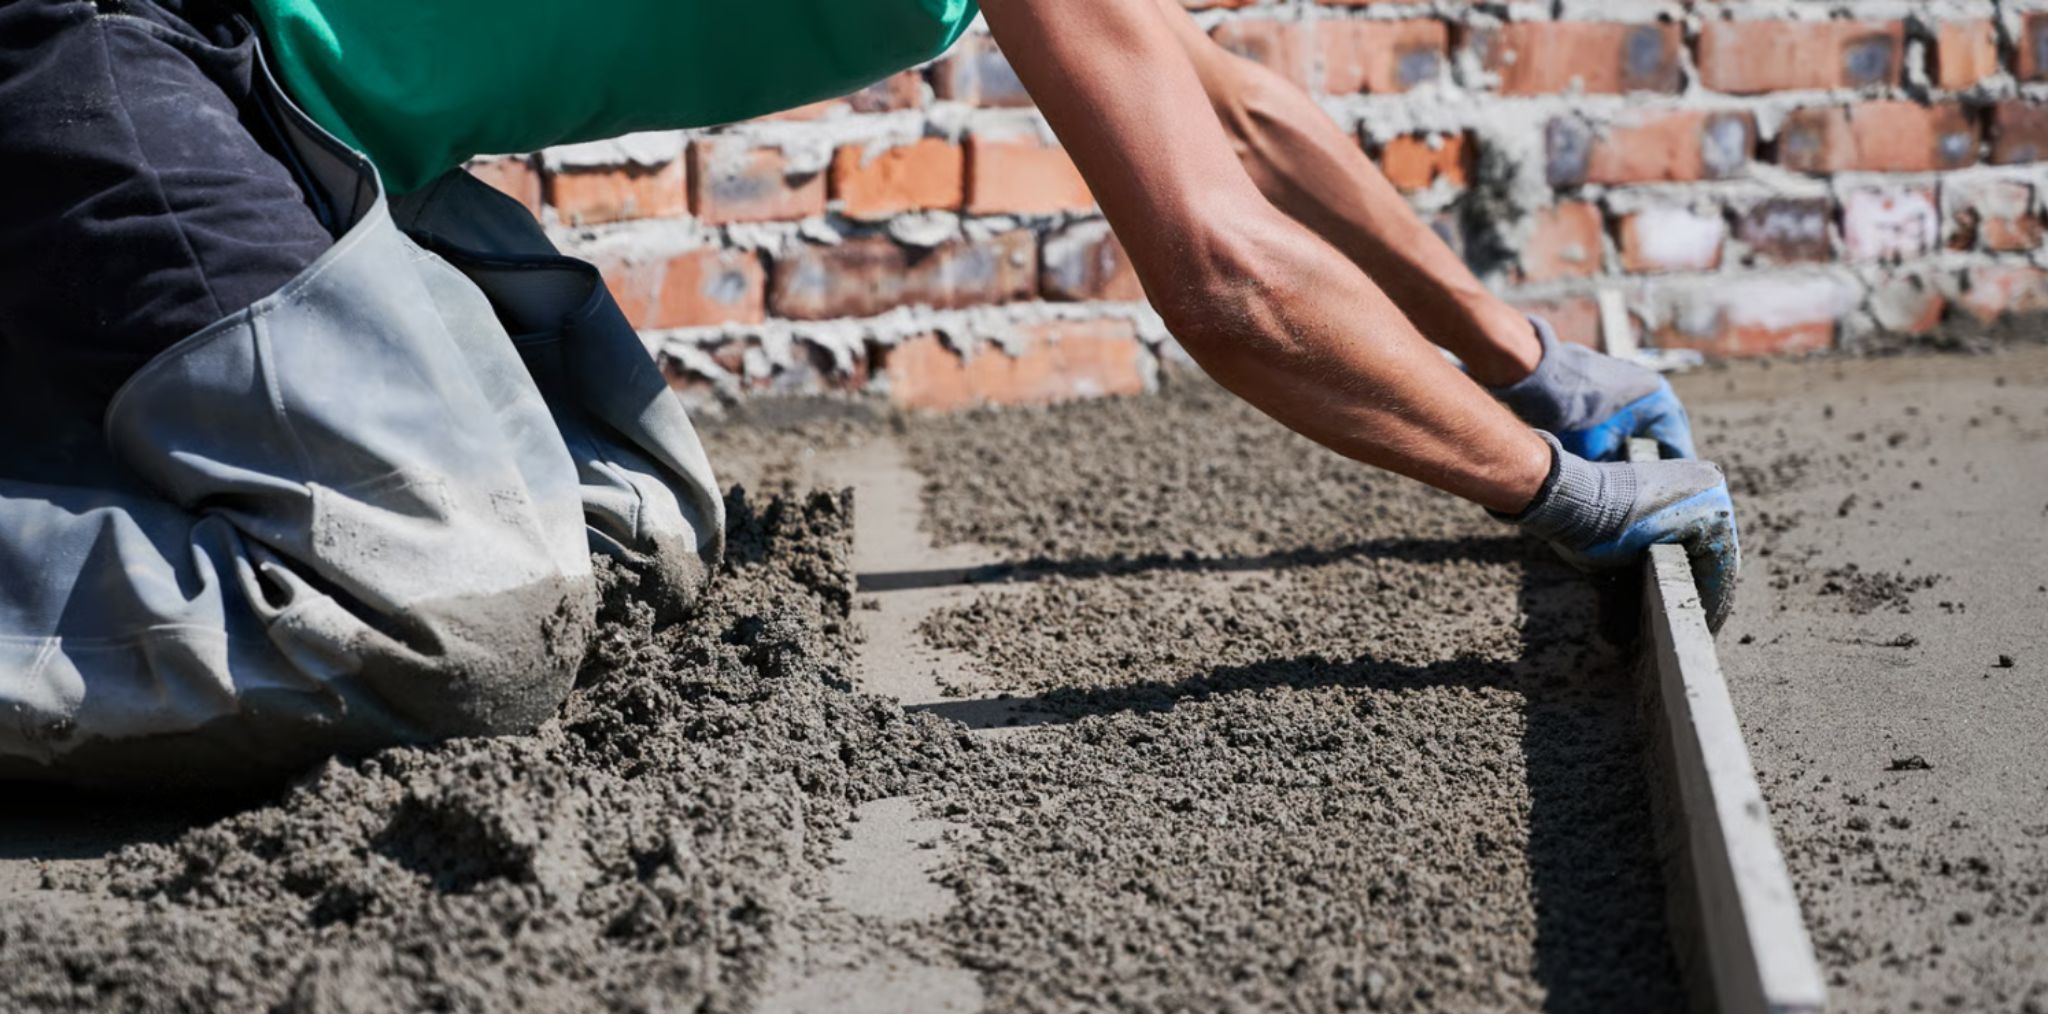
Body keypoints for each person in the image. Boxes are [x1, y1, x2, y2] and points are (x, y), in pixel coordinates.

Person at [0, 0, 1736, 787]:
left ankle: (97, 428)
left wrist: (1529, 359)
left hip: (296, 130)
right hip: (130, 45)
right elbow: (1220, 269)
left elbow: (1246, 114)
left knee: (638, 511)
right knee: (465, 604)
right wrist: (1546, 486)